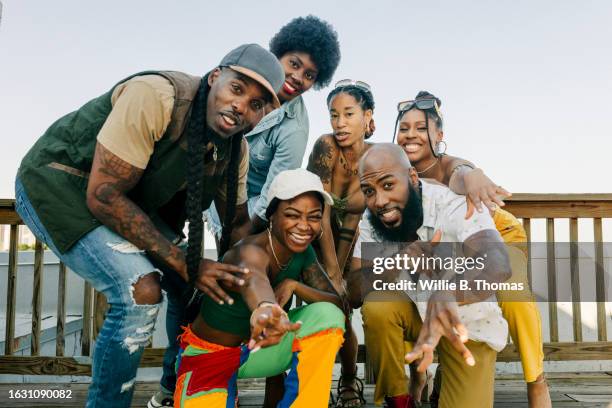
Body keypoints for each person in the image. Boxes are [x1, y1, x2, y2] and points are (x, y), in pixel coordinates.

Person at [14, 43, 285, 408]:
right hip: (62, 185)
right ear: (216, 76)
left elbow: (236, 228)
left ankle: (174, 392)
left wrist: (261, 283)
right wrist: (182, 261)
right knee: (140, 293)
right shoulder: (158, 96)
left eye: (256, 104)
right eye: (237, 89)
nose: (241, 106)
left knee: (199, 288)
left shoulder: (236, 150)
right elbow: (104, 194)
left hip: (129, 202)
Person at [394, 91, 551, 407]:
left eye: (421, 128)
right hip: (449, 245)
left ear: (439, 136)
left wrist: (472, 173)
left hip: (498, 234)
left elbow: (461, 172)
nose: (411, 134)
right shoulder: (394, 171)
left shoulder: (447, 166)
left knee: (514, 296)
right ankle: (427, 375)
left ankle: (537, 382)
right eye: (404, 127)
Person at [352, 144, 512, 407]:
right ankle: (399, 398)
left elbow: (498, 263)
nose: (379, 201)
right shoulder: (372, 219)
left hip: (466, 322)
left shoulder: (452, 202)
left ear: (412, 178)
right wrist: (398, 261)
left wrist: (448, 293)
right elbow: (355, 291)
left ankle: (444, 376)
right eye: (369, 191)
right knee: (378, 306)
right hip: (414, 315)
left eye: (388, 185)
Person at [174, 168, 346, 407]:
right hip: (211, 358)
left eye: (314, 217)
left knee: (329, 315)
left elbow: (338, 305)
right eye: (293, 215)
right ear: (272, 215)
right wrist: (266, 308)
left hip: (260, 351)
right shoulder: (248, 251)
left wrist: (294, 285)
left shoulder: (303, 253)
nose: (304, 226)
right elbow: (255, 279)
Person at [205, 15, 341, 250]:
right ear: (278, 55)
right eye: (294, 64)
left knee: (234, 252)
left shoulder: (295, 128)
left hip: (250, 203)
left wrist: (242, 240)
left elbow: (273, 192)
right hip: (208, 176)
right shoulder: (238, 80)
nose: (298, 78)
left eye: (309, 75)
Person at [307, 79, 375, 407]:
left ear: (367, 116)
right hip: (313, 241)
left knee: (347, 305)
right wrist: (332, 272)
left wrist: (343, 276)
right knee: (327, 304)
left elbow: (354, 220)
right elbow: (318, 207)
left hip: (356, 247)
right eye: (334, 115)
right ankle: (320, 383)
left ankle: (349, 377)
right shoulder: (326, 146)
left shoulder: (378, 158)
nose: (339, 123)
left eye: (349, 114)